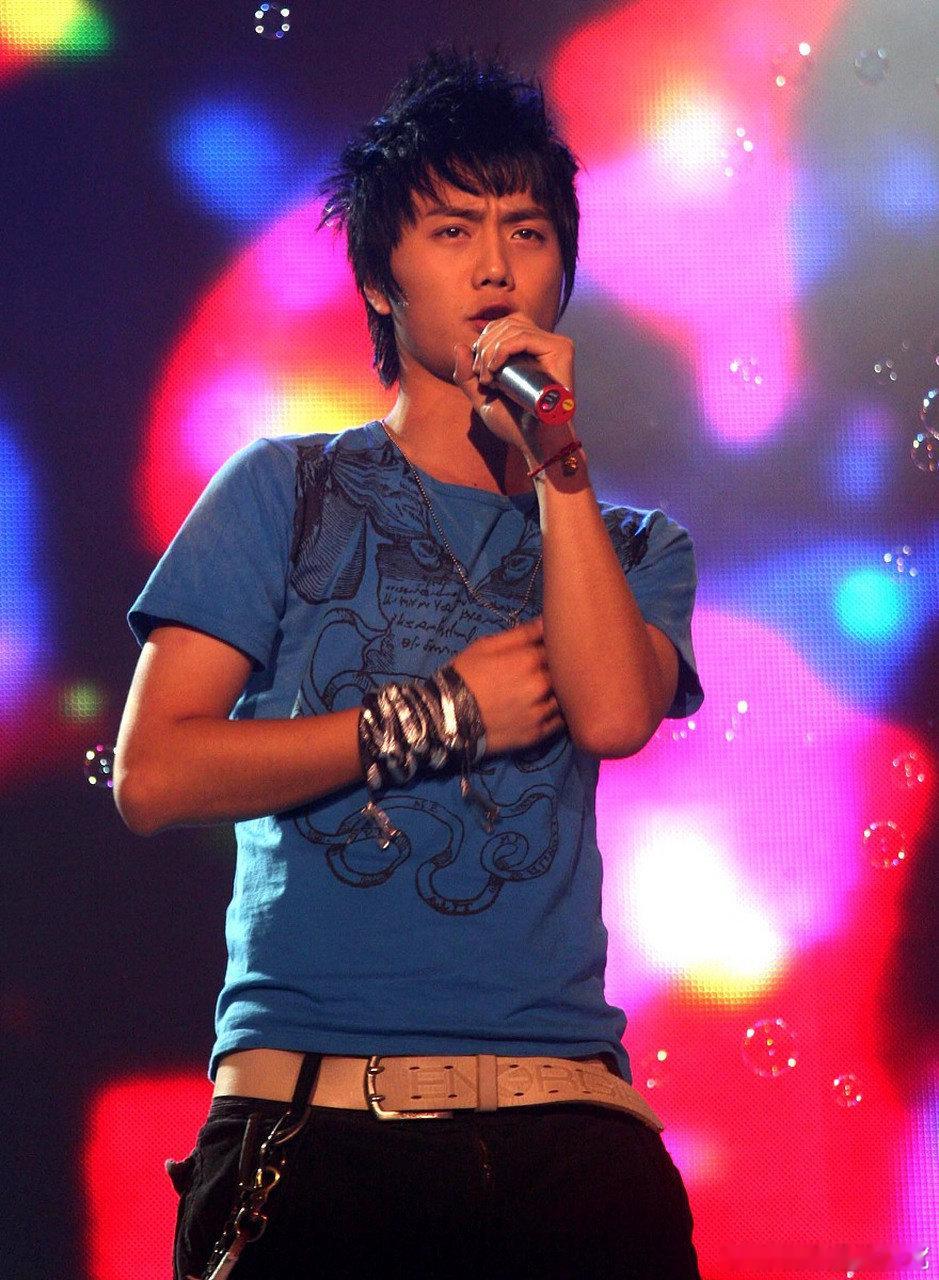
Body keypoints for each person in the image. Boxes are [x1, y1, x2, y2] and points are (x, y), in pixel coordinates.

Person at [115, 48, 705, 1280]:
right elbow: (155, 771)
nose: (495, 266)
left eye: (526, 231)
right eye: (452, 230)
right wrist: (435, 715)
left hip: (571, 1138)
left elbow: (611, 713)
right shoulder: (282, 489)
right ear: (382, 279)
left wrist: (559, 460)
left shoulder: (632, 542)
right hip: (320, 1127)